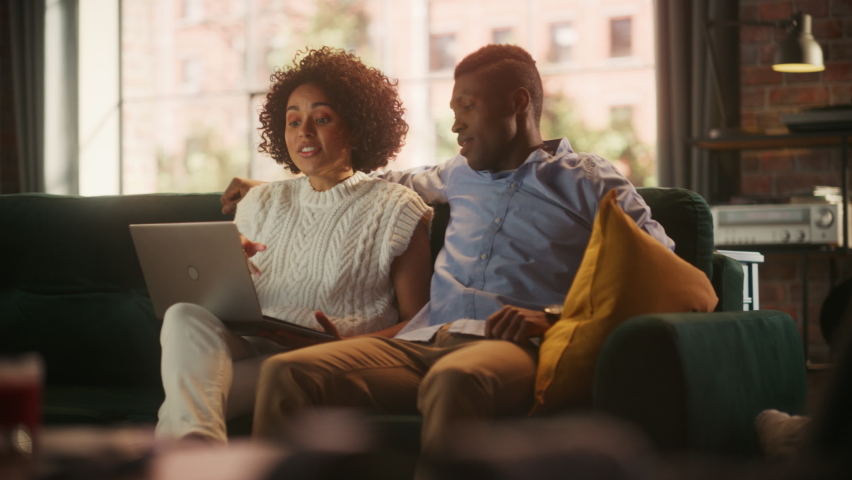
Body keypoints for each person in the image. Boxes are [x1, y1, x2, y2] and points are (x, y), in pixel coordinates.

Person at [221, 44, 673, 456]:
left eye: (468, 107)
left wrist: (554, 318)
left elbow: (668, 273)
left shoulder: (587, 179)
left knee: (454, 379)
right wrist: (268, 190)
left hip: (513, 347)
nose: (455, 124)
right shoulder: (456, 174)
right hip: (425, 342)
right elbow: (356, 182)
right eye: (454, 110)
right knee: (287, 373)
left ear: (518, 103)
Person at [156, 47, 433, 443]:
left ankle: (191, 450)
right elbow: (225, 311)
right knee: (183, 314)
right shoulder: (259, 202)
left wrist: (351, 346)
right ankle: (198, 451)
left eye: (321, 118)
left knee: (187, 398)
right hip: (248, 348)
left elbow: (421, 323)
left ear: (356, 127)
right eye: (293, 121)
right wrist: (229, 271)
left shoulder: (397, 208)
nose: (304, 131)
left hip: (318, 363)